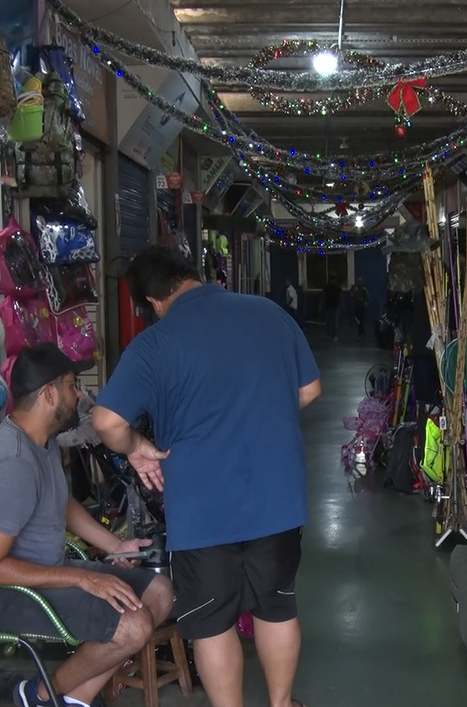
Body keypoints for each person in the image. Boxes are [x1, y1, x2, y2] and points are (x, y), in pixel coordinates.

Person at [93, 246, 321, 707]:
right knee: (276, 607)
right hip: (275, 497)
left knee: (212, 622)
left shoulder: (155, 343)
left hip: (201, 510)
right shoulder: (268, 313)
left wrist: (138, 447)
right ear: (190, 275)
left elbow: (106, 423)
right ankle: (280, 704)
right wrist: (261, 418)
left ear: (152, 302)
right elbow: (310, 388)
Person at [0, 343, 173, 707]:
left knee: (158, 593)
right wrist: (84, 577)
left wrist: (114, 546)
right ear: (48, 394)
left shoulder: (42, 442)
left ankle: (70, 700)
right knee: (133, 625)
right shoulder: (14, 463)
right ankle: (42, 696)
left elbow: (61, 504)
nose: (80, 394)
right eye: (73, 385)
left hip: (43, 572)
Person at [322, 277, 342, 341]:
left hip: (330, 306)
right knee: (333, 322)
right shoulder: (337, 287)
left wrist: (321, 305)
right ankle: (333, 336)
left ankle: (330, 336)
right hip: (334, 306)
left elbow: (323, 296)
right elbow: (341, 296)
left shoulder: (327, 287)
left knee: (329, 322)